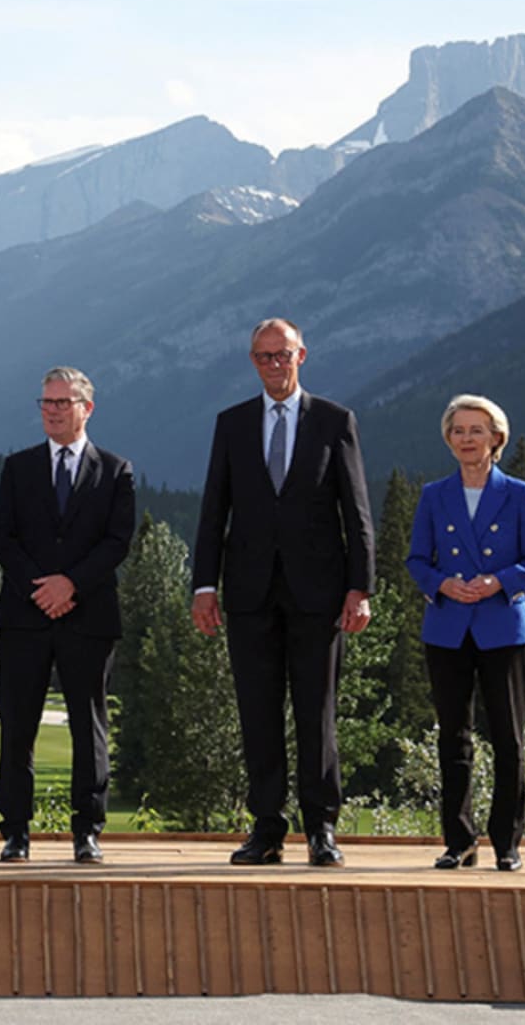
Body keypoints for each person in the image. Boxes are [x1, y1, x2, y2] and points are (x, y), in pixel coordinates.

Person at [191, 318, 374, 868]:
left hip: (319, 596)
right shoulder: (232, 423)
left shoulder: (335, 421)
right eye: (263, 356)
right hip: (247, 594)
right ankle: (266, 829)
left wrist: (360, 587)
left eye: (282, 354)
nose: (274, 364)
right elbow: (212, 511)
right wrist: (204, 584)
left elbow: (357, 512)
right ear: (252, 361)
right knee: (258, 714)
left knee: (317, 714)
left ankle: (322, 830)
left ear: (302, 356)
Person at [0, 367, 135, 864]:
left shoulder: (116, 470)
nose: (52, 410)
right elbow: (1, 539)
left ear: (86, 408)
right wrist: (41, 588)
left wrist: (70, 583)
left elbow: (118, 542)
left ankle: (87, 831)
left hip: (88, 616)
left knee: (88, 726)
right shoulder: (17, 467)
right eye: (45, 402)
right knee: (17, 727)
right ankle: (15, 832)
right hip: (24, 616)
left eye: (62, 403)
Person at [406, 394, 525, 872]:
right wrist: (441, 582)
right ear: (449, 440)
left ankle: (507, 843)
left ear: (497, 439)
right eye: (459, 431)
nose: (467, 439)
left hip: (503, 629)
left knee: (508, 739)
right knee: (454, 738)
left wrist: (497, 581)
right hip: (447, 628)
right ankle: (459, 841)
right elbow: (415, 560)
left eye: (477, 431)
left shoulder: (520, 493)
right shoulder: (433, 495)